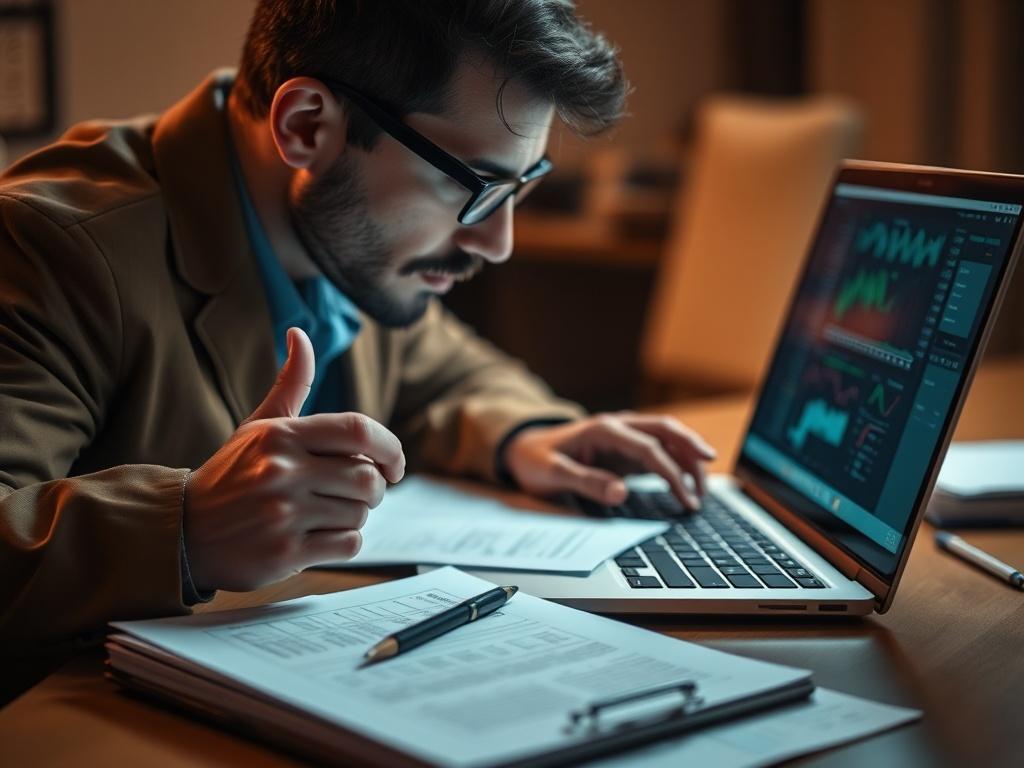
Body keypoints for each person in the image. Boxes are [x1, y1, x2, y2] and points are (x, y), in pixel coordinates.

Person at [0, 0, 715, 652]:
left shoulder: (346, 238)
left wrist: (528, 437)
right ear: (307, 125)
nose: (498, 243)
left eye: (521, 187)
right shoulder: (53, 249)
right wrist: (186, 530)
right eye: (476, 186)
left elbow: (447, 371)